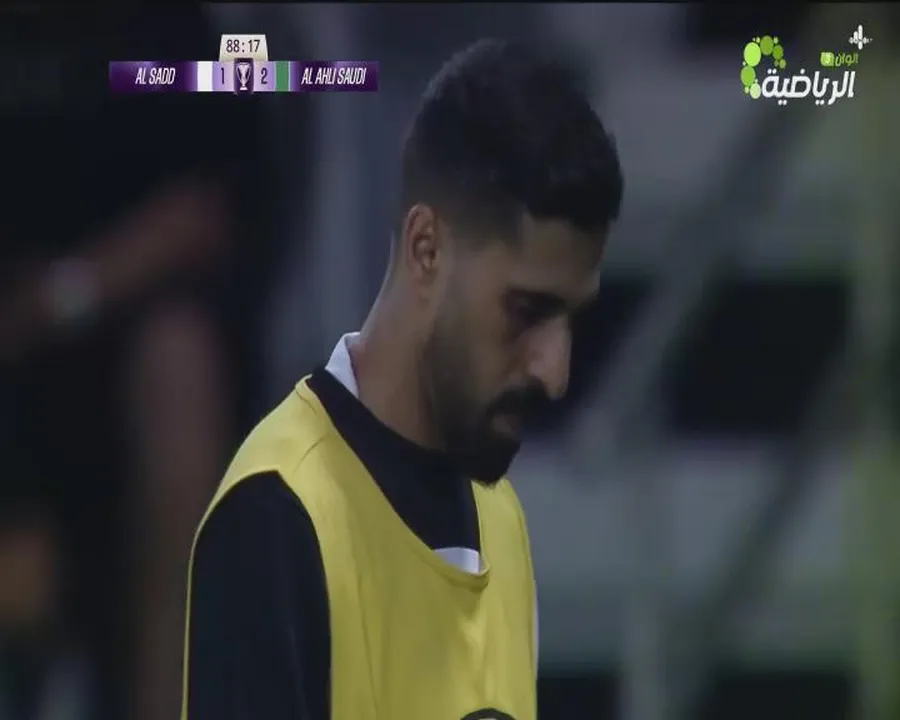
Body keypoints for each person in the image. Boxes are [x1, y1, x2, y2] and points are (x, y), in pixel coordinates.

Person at [182, 38, 623, 720]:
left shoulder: (501, 520)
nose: (555, 373)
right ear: (427, 249)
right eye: (526, 310)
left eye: (571, 321)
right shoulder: (278, 515)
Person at [0, 7, 285, 720]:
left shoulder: (182, 36)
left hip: (124, 349)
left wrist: (65, 296)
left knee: (176, 366)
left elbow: (209, 210)